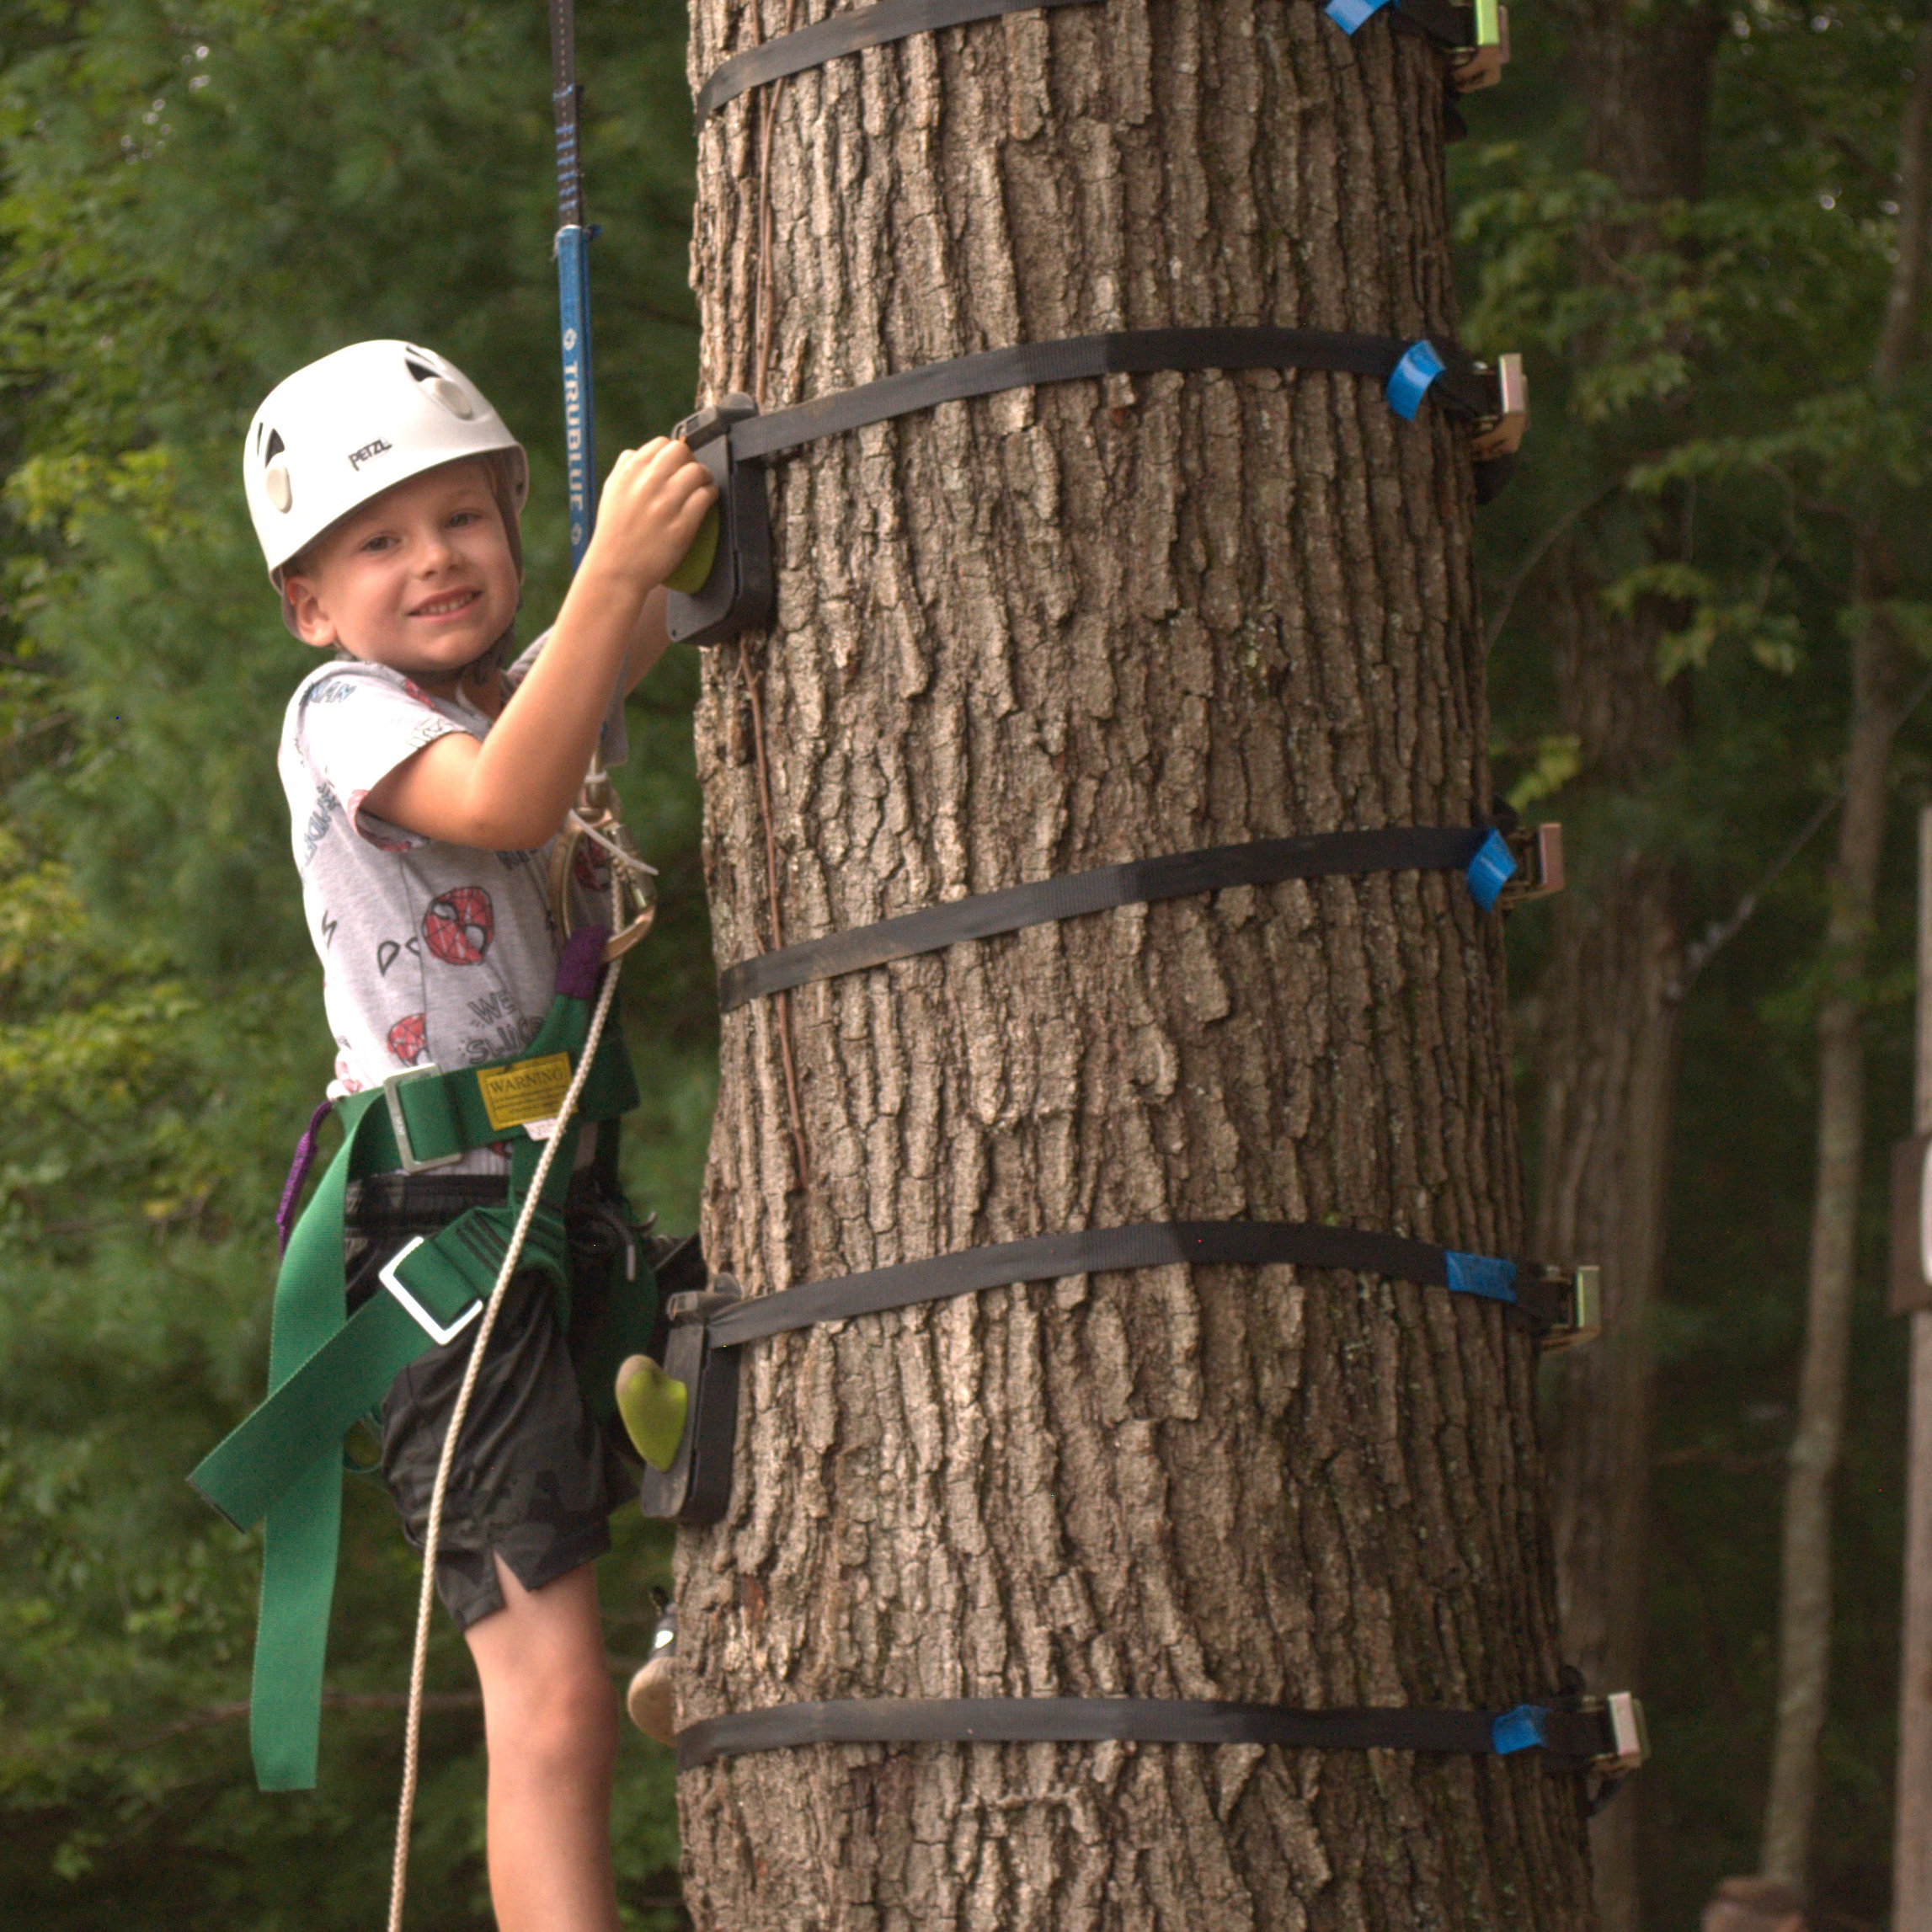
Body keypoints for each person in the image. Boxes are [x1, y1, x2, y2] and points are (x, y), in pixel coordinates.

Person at [244, 340, 715, 1932]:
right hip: (439, 1228)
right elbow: (509, 799)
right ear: (310, 602)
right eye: (377, 540)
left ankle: (692, 1604)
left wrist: (703, 497)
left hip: (553, 1198)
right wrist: (616, 577)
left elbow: (638, 620)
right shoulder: (342, 713)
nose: (433, 557)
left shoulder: (523, 683)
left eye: (462, 519)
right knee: (552, 1708)